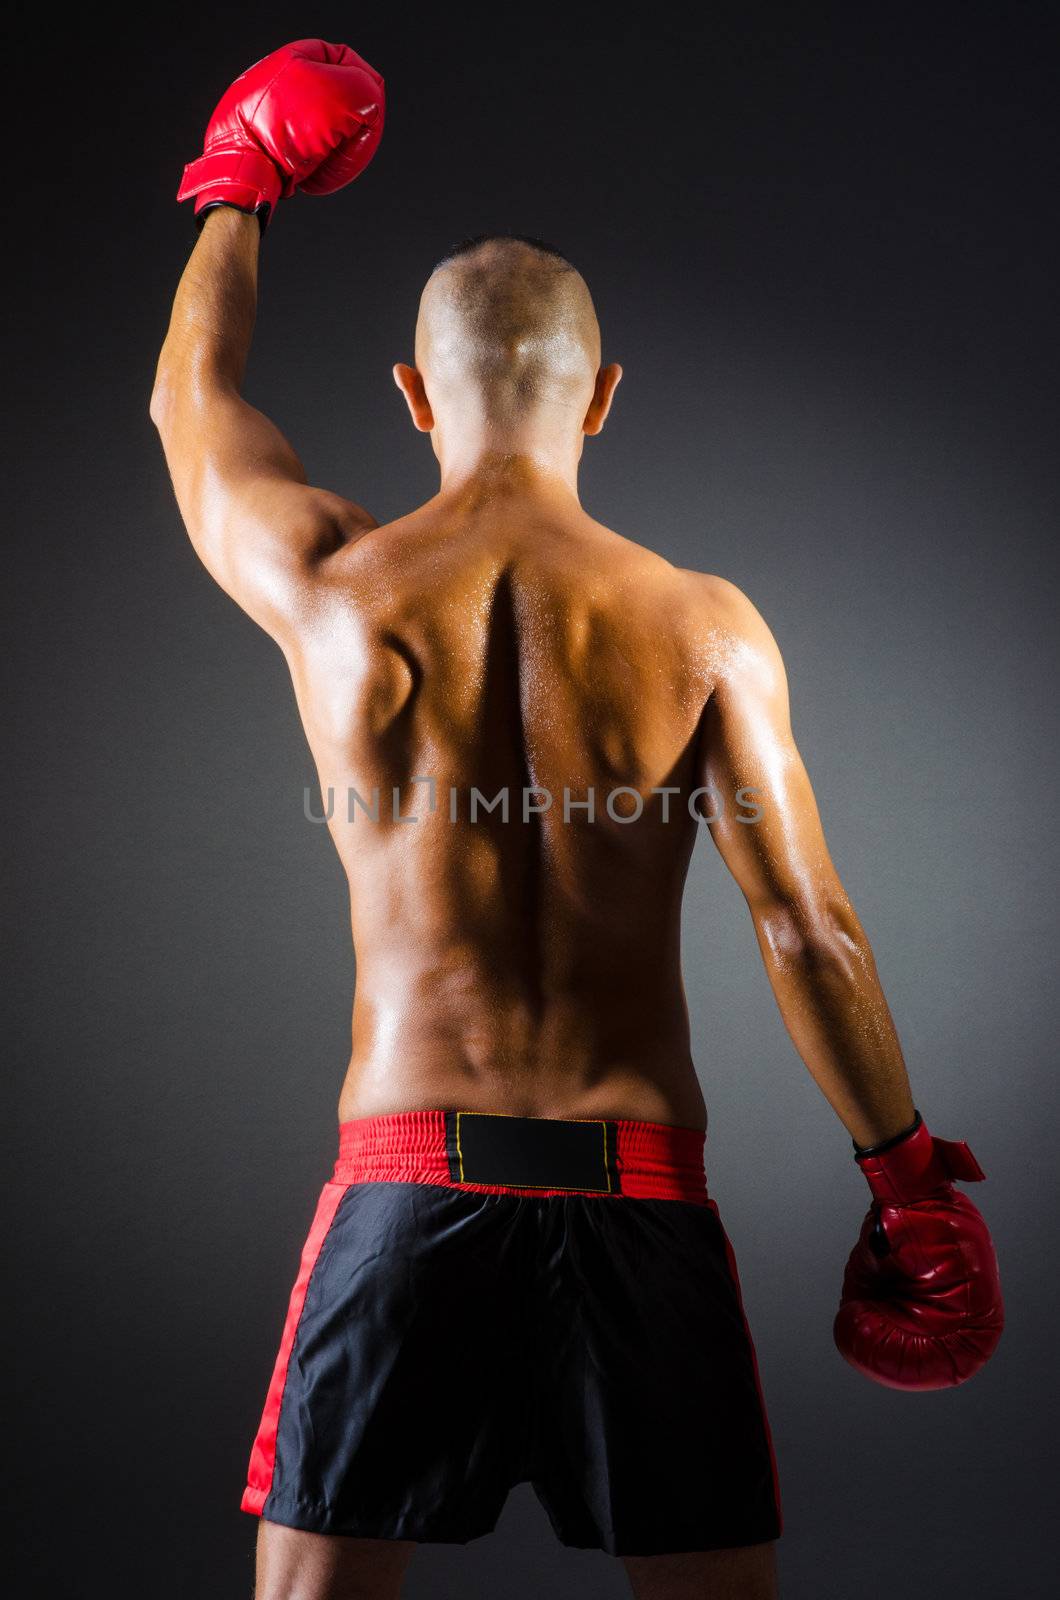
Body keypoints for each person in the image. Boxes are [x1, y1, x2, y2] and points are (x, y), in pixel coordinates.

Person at [151, 40, 1003, 1600]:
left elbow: (189, 408)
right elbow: (807, 925)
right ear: (604, 398)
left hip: (407, 1187)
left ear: (411, 397)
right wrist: (907, 1182)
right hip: (639, 1203)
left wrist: (242, 190)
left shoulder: (339, 595)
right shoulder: (705, 627)